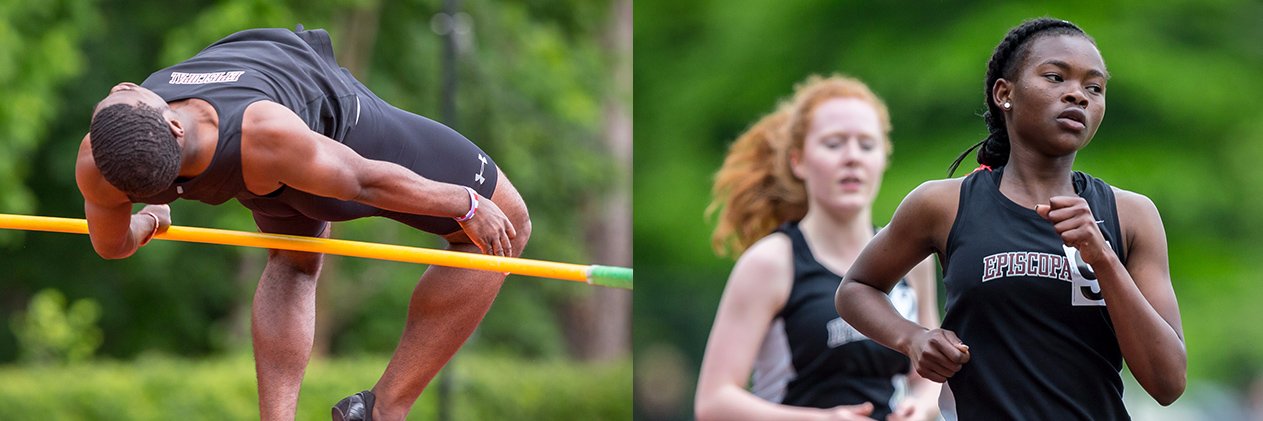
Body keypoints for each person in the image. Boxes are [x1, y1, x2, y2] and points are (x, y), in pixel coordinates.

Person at [74, 26, 531, 421]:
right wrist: (466, 203)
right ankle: (383, 409)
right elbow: (362, 181)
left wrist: (150, 217)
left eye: (119, 96)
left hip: (268, 174)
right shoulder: (264, 132)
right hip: (337, 137)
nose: (122, 86)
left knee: (294, 263)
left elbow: (113, 244)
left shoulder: (100, 162)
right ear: (173, 126)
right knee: (508, 223)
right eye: (126, 93)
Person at [834, 18, 1186, 420]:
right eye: (1056, 77)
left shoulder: (1130, 215)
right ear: (1005, 93)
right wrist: (914, 338)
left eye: (1094, 88)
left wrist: (1102, 256)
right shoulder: (944, 205)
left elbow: (1168, 383)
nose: (1078, 96)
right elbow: (856, 288)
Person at [695, 75, 940, 421]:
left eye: (866, 145)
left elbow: (928, 377)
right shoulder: (770, 263)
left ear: (883, 159)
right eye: (834, 143)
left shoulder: (911, 258)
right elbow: (714, 403)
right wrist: (824, 420)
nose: (852, 157)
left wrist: (921, 408)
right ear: (798, 161)